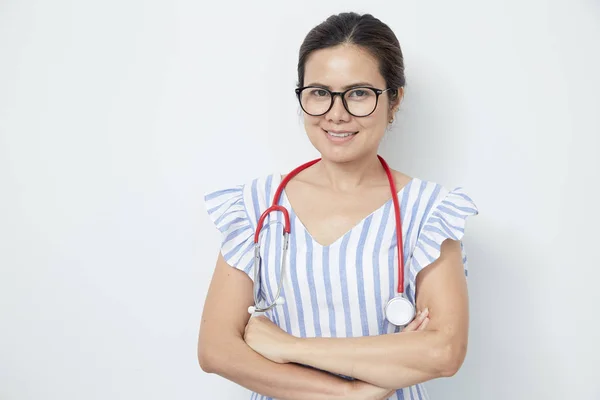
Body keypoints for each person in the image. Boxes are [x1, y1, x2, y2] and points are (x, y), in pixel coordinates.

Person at [198, 11, 478, 400]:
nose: (336, 112)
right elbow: (216, 350)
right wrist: (350, 395)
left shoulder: (430, 212)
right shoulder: (256, 207)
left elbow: (443, 352)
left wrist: (288, 347)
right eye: (319, 92)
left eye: (359, 92)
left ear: (394, 99)